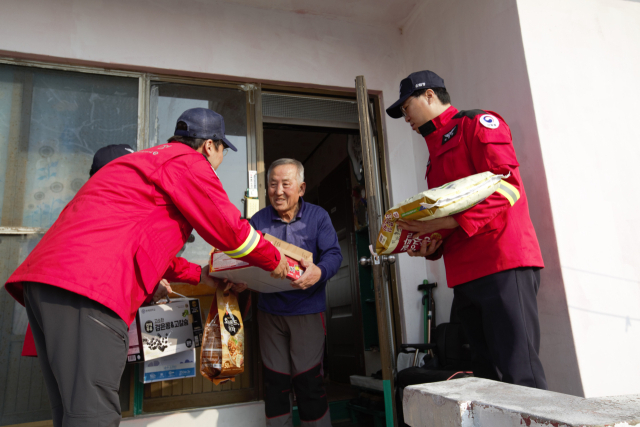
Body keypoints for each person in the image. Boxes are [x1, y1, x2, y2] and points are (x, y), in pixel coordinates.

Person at [4, 108, 289, 427]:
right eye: (223, 151)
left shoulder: (144, 163)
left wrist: (201, 276)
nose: (221, 161)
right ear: (210, 146)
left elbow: (145, 245)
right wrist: (278, 262)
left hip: (46, 283)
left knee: (70, 409)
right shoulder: (187, 162)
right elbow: (230, 232)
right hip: (90, 287)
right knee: (92, 414)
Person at [386, 70, 547, 389]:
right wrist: (431, 242)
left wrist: (440, 223)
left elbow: (508, 187)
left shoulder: (477, 124)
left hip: (501, 262)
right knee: (485, 378)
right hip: (464, 274)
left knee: (520, 373)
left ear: (430, 95)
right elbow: (450, 215)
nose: (406, 118)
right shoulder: (432, 159)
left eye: (407, 108)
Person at [249, 158, 342, 427]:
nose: (278, 191)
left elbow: (334, 254)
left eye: (285, 184)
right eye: (272, 185)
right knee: (275, 384)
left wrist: (320, 272)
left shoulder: (318, 216)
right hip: (270, 313)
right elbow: (248, 261)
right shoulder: (258, 220)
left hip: (307, 310)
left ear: (301, 188)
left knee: (308, 382)